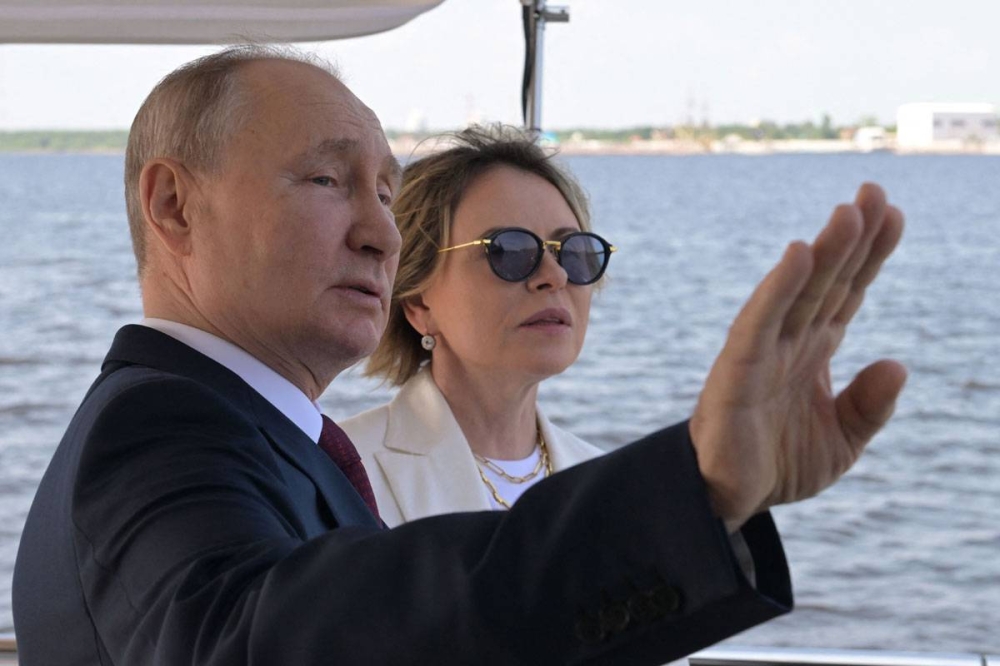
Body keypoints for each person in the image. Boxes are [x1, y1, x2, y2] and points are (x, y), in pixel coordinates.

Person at [11, 44, 906, 666]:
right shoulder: (161, 429)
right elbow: (262, 643)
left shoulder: (246, 432)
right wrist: (692, 488)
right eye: (327, 179)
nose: (380, 233)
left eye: (386, 193)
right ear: (174, 206)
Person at [342, 125, 610, 525]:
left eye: (573, 251)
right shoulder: (343, 472)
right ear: (418, 302)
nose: (554, 276)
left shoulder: (608, 486)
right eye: (510, 250)